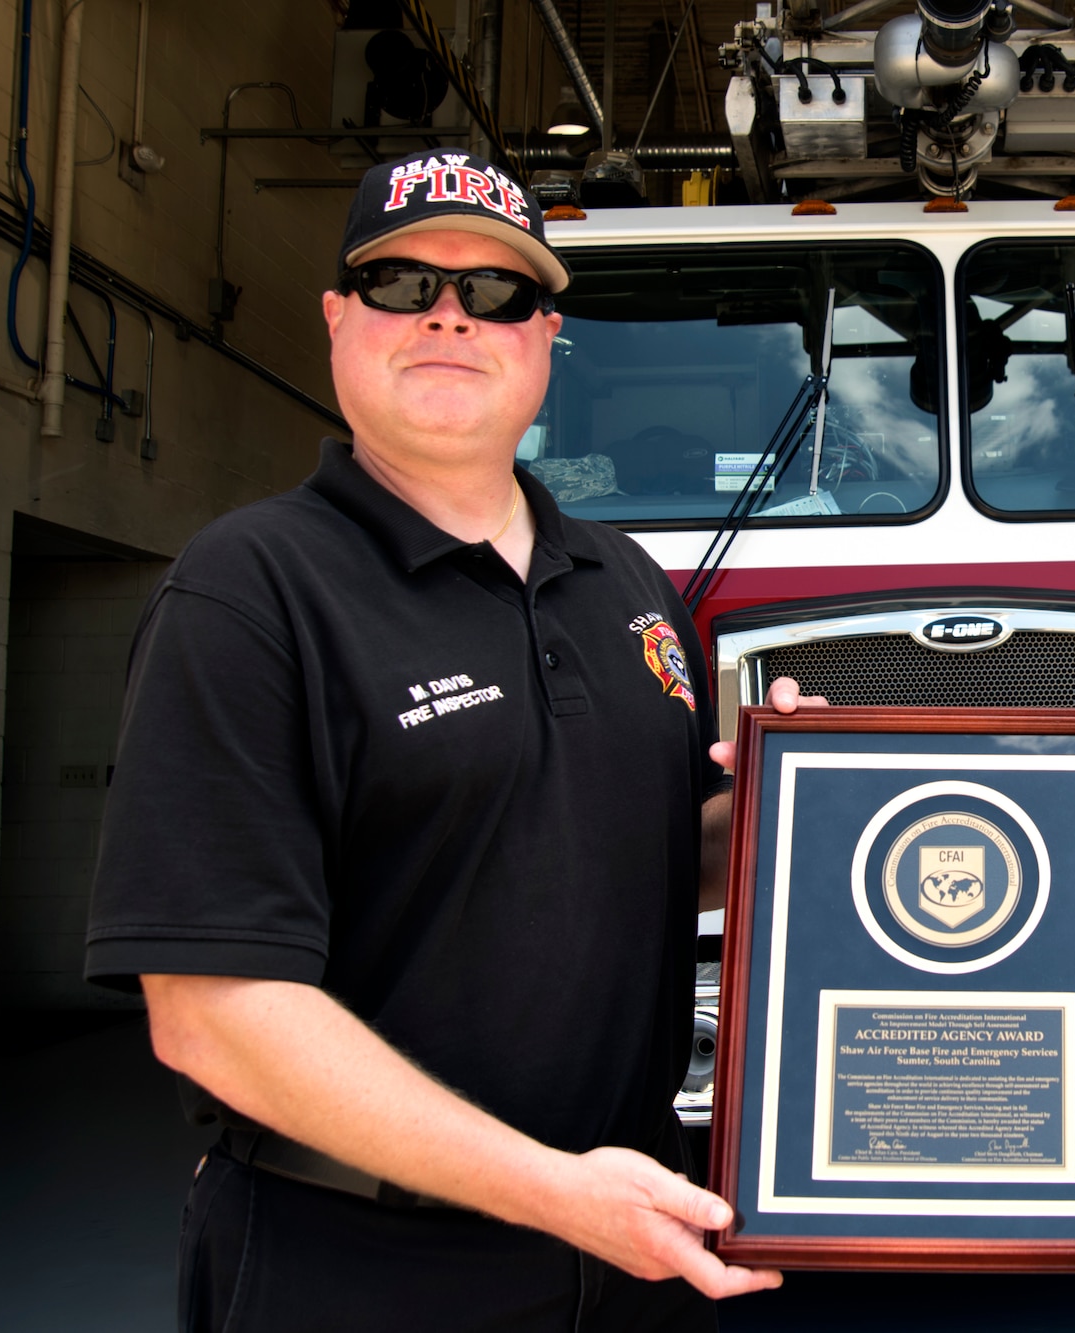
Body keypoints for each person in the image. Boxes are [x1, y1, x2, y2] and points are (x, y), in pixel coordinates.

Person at [83, 149, 792, 1331]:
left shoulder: (629, 587)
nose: (451, 315)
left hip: (632, 1251)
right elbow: (209, 1007)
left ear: (544, 336)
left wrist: (809, 808)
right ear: (335, 320)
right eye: (403, 283)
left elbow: (660, 851)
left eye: (497, 291)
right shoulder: (248, 593)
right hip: (358, 1266)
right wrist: (557, 1194)